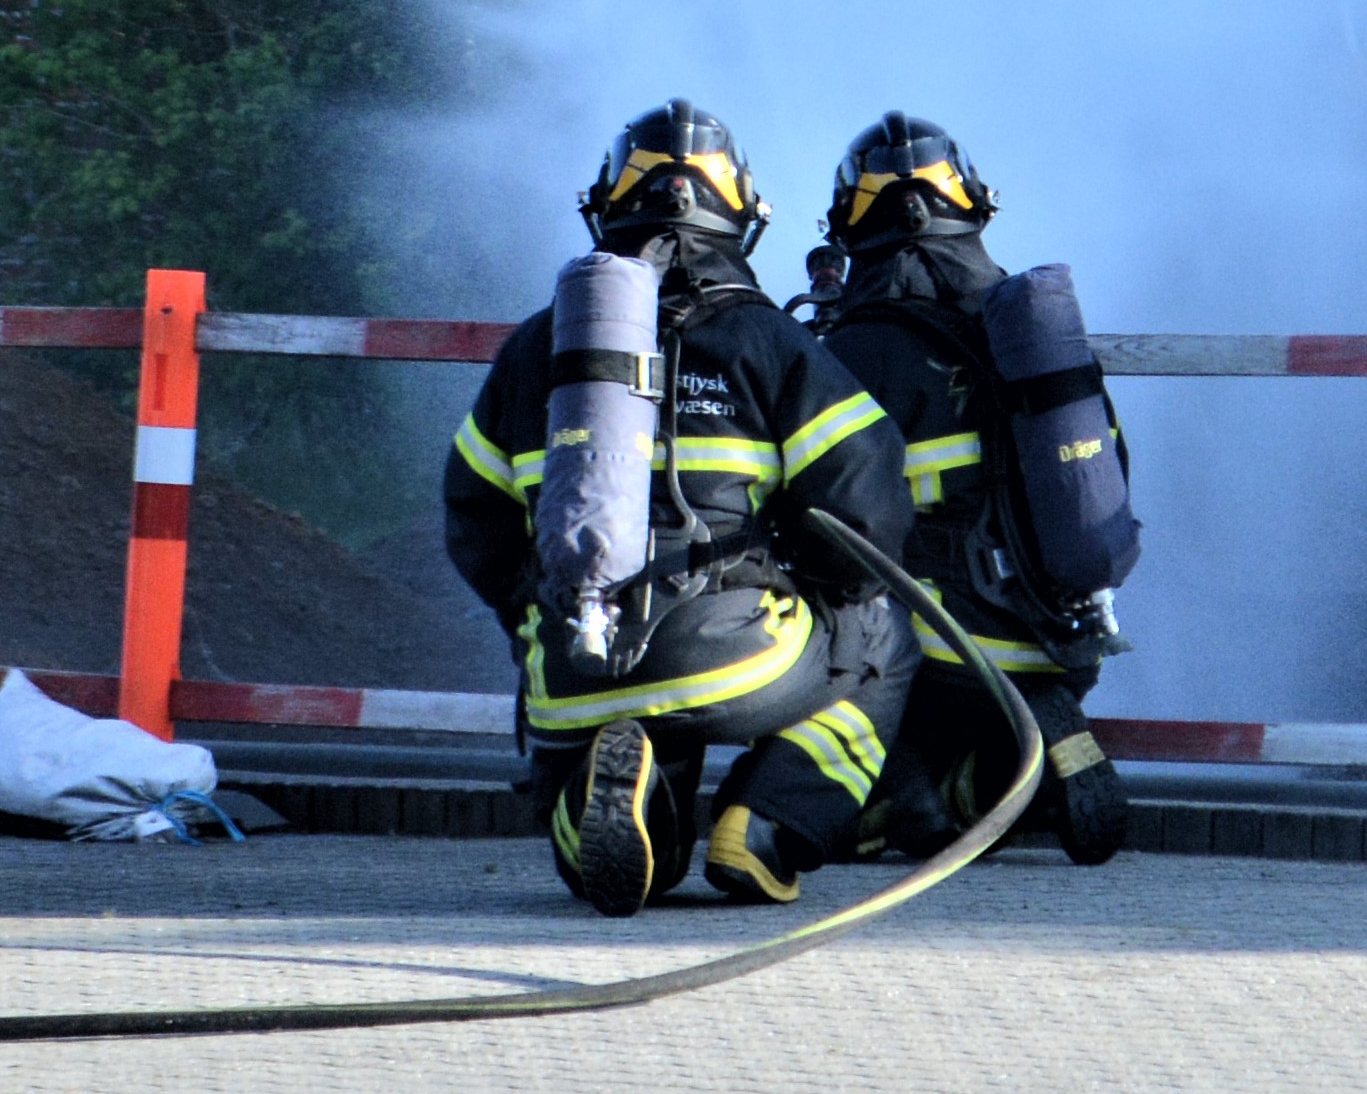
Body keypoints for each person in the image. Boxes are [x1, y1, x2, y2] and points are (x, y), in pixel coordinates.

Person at [443, 103, 921, 914]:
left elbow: (471, 513)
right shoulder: (772, 344)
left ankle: (589, 803)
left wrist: (539, 607)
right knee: (883, 636)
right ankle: (765, 825)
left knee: (608, 817)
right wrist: (813, 588)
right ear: (741, 215)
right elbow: (866, 511)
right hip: (736, 656)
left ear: (607, 207)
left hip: (572, 660)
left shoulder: (536, 348)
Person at [804, 112, 1135, 865]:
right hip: (1064, 630)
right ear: (976, 204)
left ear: (851, 224)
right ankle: (1014, 762)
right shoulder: (1034, 338)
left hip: (939, 650)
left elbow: (821, 510)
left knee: (803, 631)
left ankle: (909, 799)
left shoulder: (854, 348)